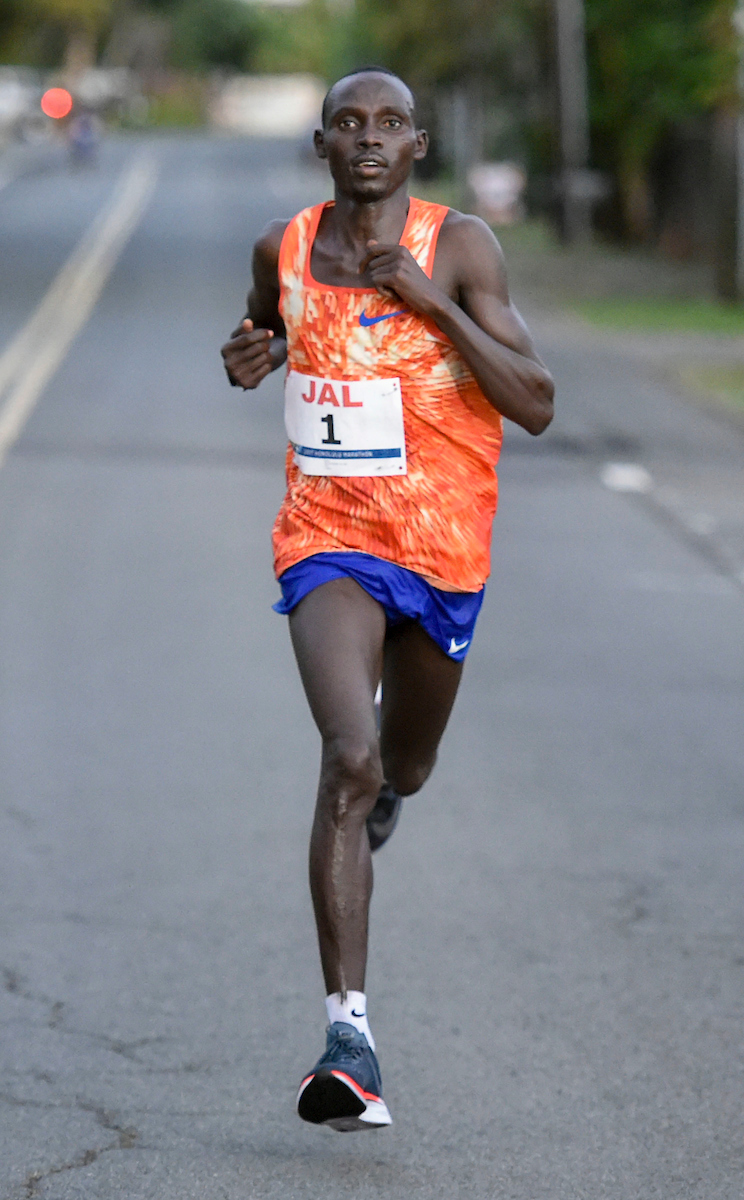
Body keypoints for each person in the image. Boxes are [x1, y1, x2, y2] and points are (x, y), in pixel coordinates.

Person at [221, 66, 554, 1133]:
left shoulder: (460, 248)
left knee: (403, 763)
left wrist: (432, 304)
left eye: (392, 125)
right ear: (320, 143)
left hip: (444, 551)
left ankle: (395, 785)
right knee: (348, 759)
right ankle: (349, 1040)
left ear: (418, 147)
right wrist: (253, 355)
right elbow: (264, 330)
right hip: (327, 539)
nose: (371, 138)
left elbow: (537, 403)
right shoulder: (283, 246)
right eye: (350, 123)